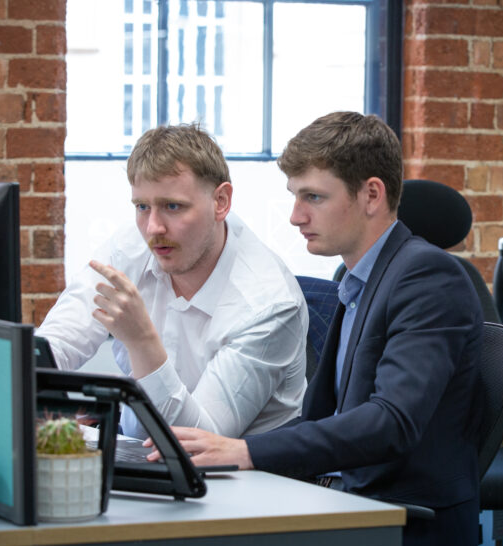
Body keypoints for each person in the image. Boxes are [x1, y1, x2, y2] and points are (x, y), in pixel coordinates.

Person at [153, 111, 485, 546]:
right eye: (295, 197)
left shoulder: (426, 278)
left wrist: (247, 451)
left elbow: (391, 422)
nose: (296, 216)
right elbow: (324, 418)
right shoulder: (358, 280)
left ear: (372, 194)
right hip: (346, 506)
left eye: (313, 197)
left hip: (400, 530)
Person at [36, 123, 308, 439]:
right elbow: (60, 339)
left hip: (246, 479)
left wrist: (141, 341)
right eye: (142, 206)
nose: (153, 227)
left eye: (173, 206)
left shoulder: (268, 304)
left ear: (220, 202)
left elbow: (197, 439)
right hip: (142, 454)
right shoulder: (134, 244)